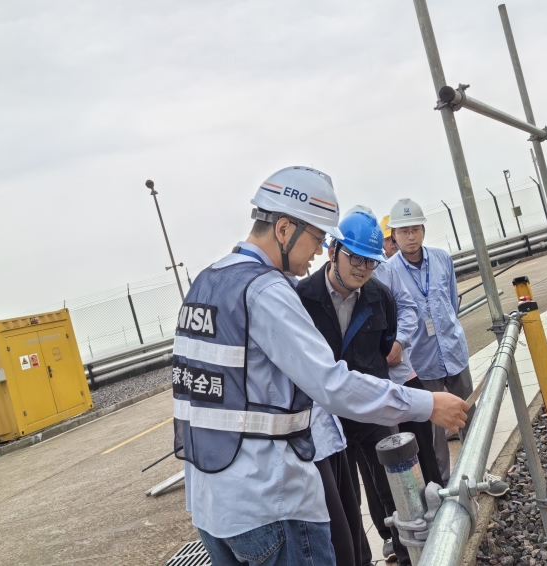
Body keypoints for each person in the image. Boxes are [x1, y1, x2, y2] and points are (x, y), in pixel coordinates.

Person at [173, 166, 469, 566]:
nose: (317, 251)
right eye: (315, 238)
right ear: (283, 229)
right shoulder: (267, 291)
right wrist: (426, 404)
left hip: (213, 507)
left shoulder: (205, 284)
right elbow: (333, 384)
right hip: (272, 505)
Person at [339, 207, 443, 564]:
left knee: (418, 447)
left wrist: (400, 342)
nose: (364, 264)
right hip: (361, 394)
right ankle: (389, 535)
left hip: (397, 376)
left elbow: (409, 309)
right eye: (356, 255)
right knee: (369, 473)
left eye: (371, 255)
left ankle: (429, 513)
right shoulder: (321, 294)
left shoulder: (384, 279)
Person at [387, 198, 508, 497]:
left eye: (415, 229)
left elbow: (452, 301)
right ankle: (441, 484)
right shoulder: (388, 272)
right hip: (420, 359)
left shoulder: (442, 259)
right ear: (394, 237)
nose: (411, 236)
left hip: (452, 351)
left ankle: (480, 471)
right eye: (404, 232)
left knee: (468, 412)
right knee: (433, 427)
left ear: (424, 230)